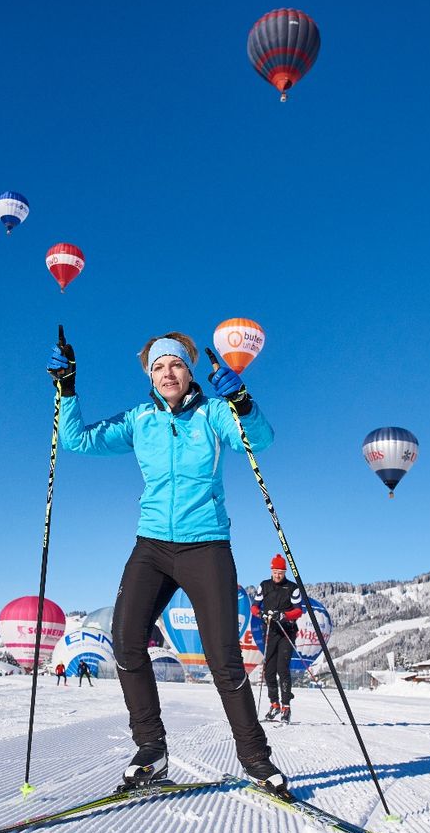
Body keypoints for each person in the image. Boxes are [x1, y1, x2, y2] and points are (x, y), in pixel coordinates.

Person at [48, 329, 292, 797]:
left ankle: (256, 760)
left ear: (190, 369)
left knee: (224, 658)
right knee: (124, 641)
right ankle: (151, 751)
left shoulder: (214, 413)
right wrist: (67, 388)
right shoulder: (140, 419)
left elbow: (259, 440)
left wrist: (241, 399)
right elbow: (76, 439)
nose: (168, 373)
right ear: (150, 375)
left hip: (207, 545)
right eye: (159, 367)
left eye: (176, 365)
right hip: (152, 546)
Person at [258, 554, 304, 724]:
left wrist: (283, 615)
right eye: (275, 572)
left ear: (285, 572)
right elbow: (255, 607)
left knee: (281, 669)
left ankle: (286, 707)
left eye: (281, 572)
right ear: (271, 570)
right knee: (269, 671)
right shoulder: (264, 585)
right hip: (270, 631)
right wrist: (262, 614)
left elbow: (299, 611)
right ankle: (274, 704)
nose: (277, 575)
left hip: (287, 631)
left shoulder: (292, 588)